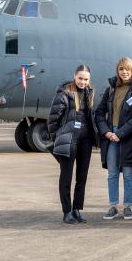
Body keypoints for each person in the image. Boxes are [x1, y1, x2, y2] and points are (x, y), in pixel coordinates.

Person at [95, 57, 132, 221]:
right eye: (121, 69)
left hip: (129, 136)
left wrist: (120, 133)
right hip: (111, 135)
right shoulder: (111, 89)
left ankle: (127, 207)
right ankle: (113, 206)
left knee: (127, 173)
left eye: (127, 69)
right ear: (117, 71)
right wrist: (106, 132)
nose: (124, 72)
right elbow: (99, 113)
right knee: (112, 173)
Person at [47, 65, 98, 224]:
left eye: (86, 79)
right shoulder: (64, 94)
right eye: (80, 78)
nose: (83, 82)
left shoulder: (89, 93)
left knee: (82, 177)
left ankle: (77, 209)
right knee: (66, 177)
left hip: (86, 141)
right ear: (74, 77)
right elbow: (52, 121)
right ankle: (67, 211)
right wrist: (58, 139)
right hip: (69, 141)